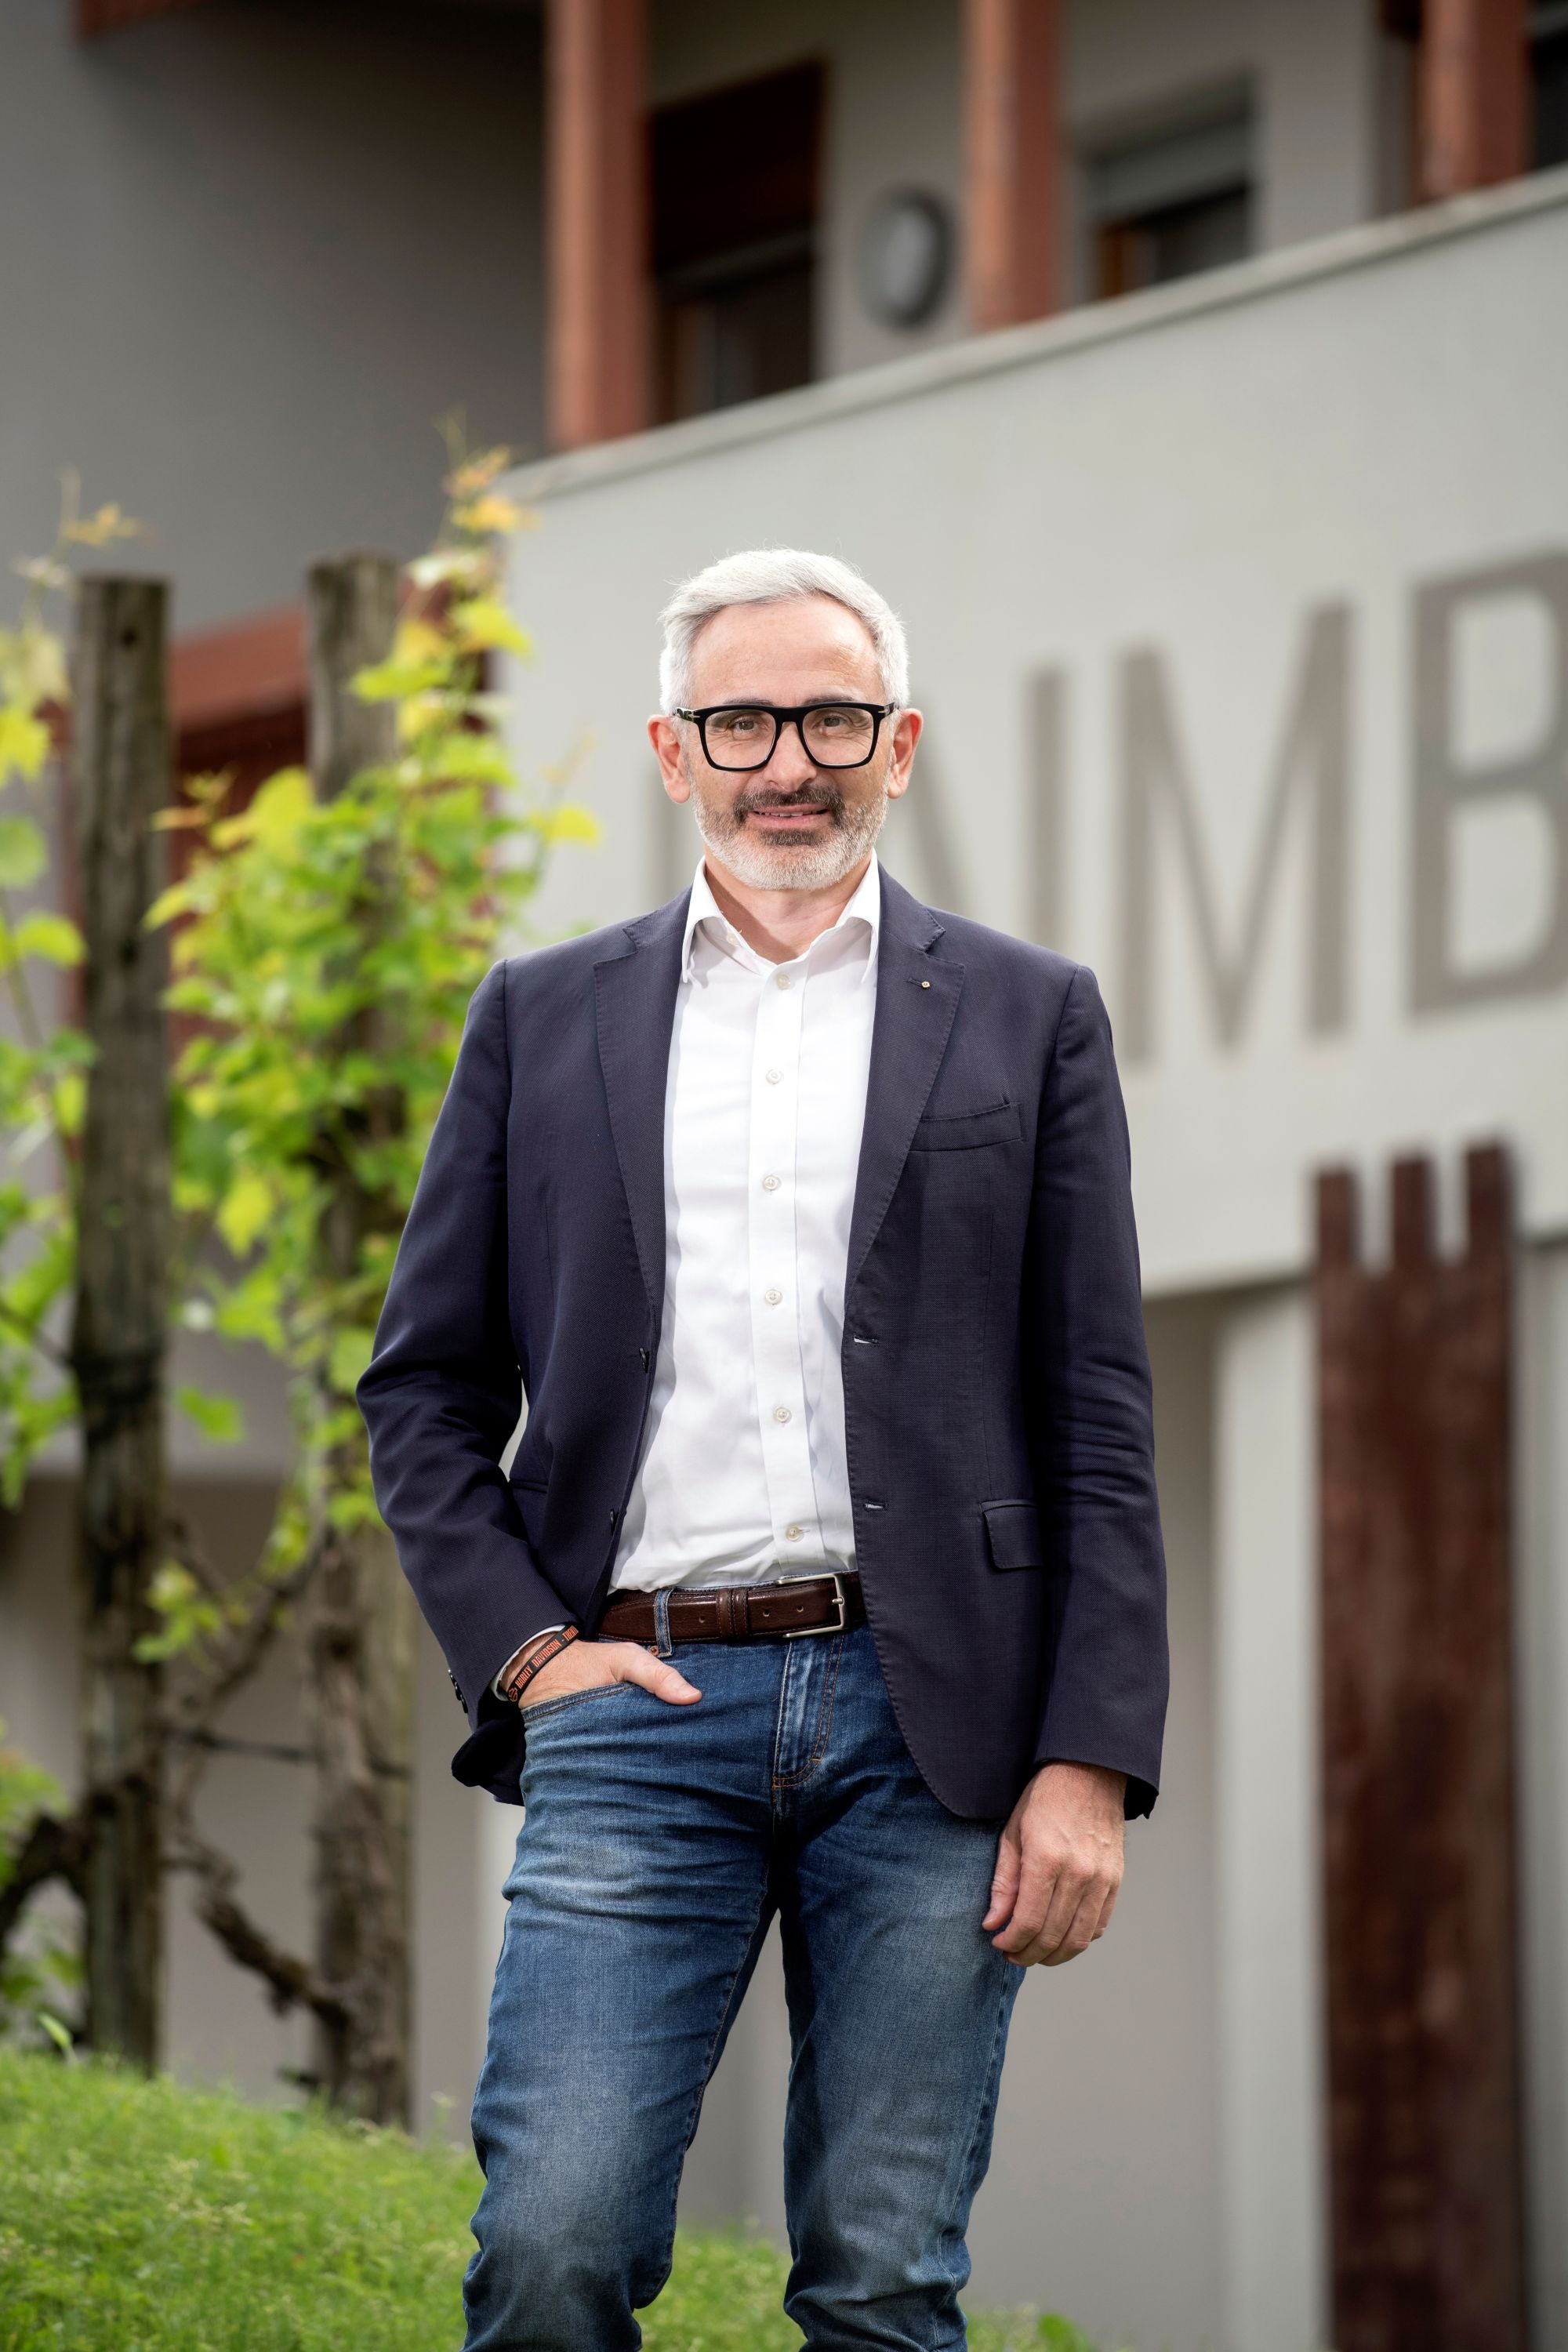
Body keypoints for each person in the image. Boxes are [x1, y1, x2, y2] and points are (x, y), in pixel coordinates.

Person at [358, 548, 1168, 2352]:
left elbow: (1096, 1412)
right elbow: (420, 1388)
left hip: (937, 1720)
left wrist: (1089, 1759)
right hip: (637, 1704)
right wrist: (531, 1653)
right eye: (740, 722)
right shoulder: (540, 1016)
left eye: (831, 719)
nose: (787, 761)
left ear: (900, 745)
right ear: (673, 750)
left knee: (883, 2279)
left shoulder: (1029, 1012)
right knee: (551, 2250)